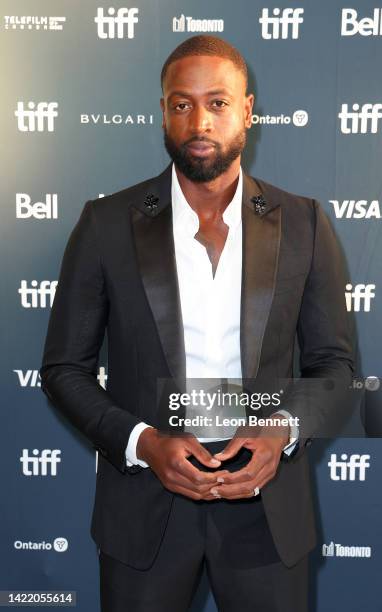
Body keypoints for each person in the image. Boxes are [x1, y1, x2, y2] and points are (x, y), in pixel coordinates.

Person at [40, 35, 354, 612]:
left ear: (248, 111)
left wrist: (280, 432)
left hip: (266, 506)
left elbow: (335, 368)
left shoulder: (305, 223)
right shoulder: (106, 223)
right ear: (163, 112)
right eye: (181, 104)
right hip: (144, 507)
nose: (199, 120)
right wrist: (144, 444)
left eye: (217, 102)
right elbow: (65, 369)